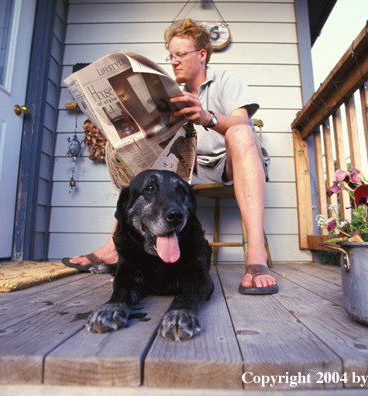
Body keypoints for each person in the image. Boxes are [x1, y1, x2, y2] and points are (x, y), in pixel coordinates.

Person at [64, 18, 277, 294]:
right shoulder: (171, 93)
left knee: (241, 132)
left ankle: (256, 258)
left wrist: (206, 116)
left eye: (180, 54)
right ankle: (113, 247)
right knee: (133, 154)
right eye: (171, 56)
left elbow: (240, 123)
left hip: (228, 163)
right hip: (187, 168)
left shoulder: (225, 80)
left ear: (202, 54)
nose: (174, 61)